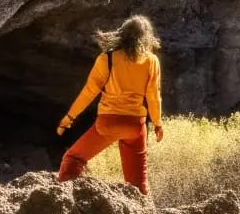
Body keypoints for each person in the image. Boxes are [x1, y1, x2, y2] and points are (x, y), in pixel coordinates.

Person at [56, 15, 164, 195]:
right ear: (147, 37)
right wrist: (158, 124)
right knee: (138, 184)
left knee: (73, 159)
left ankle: (65, 201)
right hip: (135, 126)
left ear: (122, 34)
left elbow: (89, 91)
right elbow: (153, 96)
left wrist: (69, 118)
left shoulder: (107, 59)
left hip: (108, 123)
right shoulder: (152, 61)